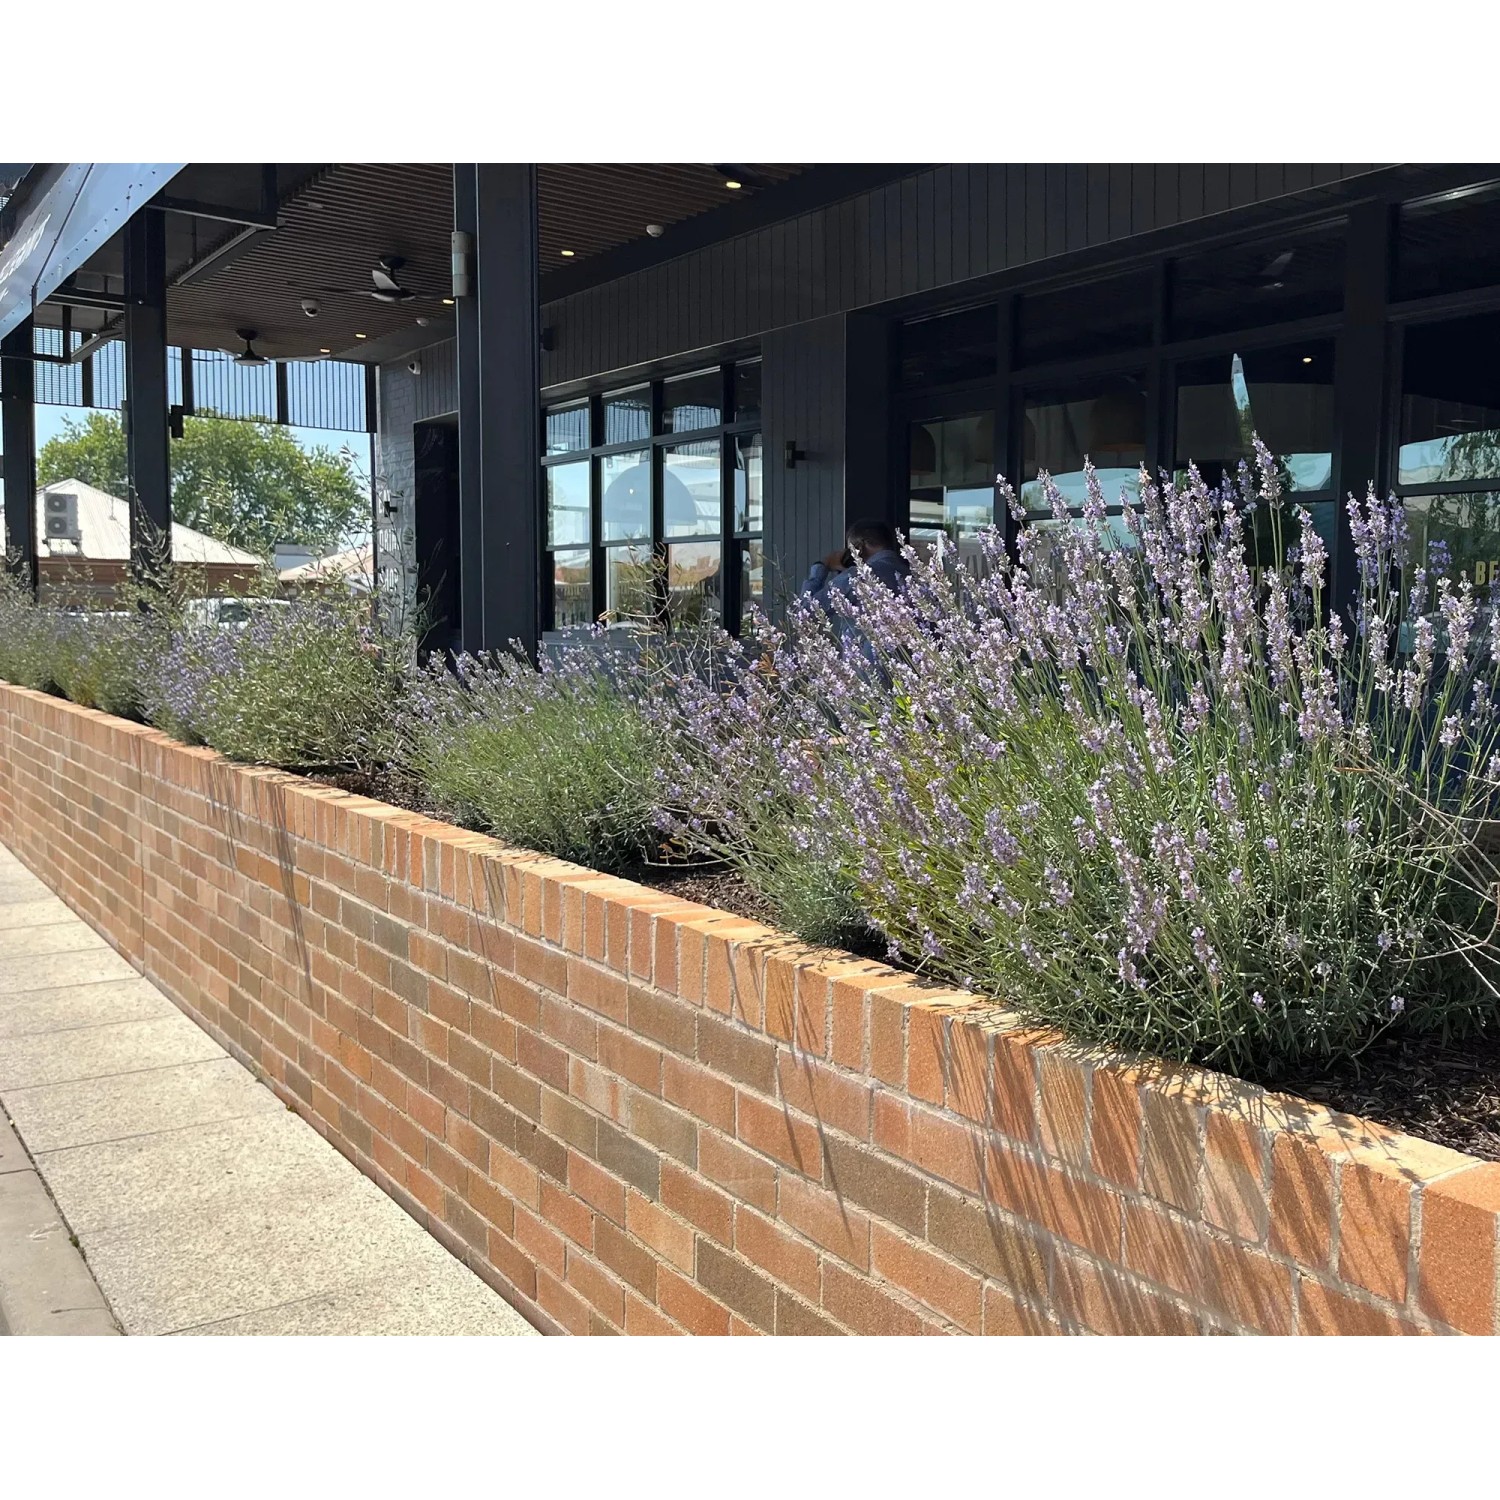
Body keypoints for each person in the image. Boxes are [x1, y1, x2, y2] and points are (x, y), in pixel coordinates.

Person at [799, 518, 910, 620]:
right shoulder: (911, 574)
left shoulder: (856, 576)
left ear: (860, 548)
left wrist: (820, 568)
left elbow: (805, 613)